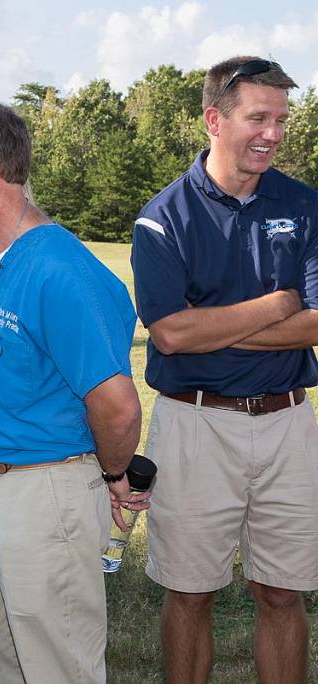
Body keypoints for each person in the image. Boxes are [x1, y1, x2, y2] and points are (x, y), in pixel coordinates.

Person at [0, 101, 146, 683]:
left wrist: (113, 474)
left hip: (46, 494)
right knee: (0, 666)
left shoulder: (63, 273)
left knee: (58, 668)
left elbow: (118, 407)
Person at [131, 56, 318, 684]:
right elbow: (170, 333)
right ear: (214, 119)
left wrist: (214, 327)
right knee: (188, 593)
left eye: (281, 120)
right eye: (257, 118)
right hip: (194, 425)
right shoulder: (163, 217)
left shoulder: (305, 205)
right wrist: (276, 305)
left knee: (282, 593)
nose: (273, 132)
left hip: (288, 423)